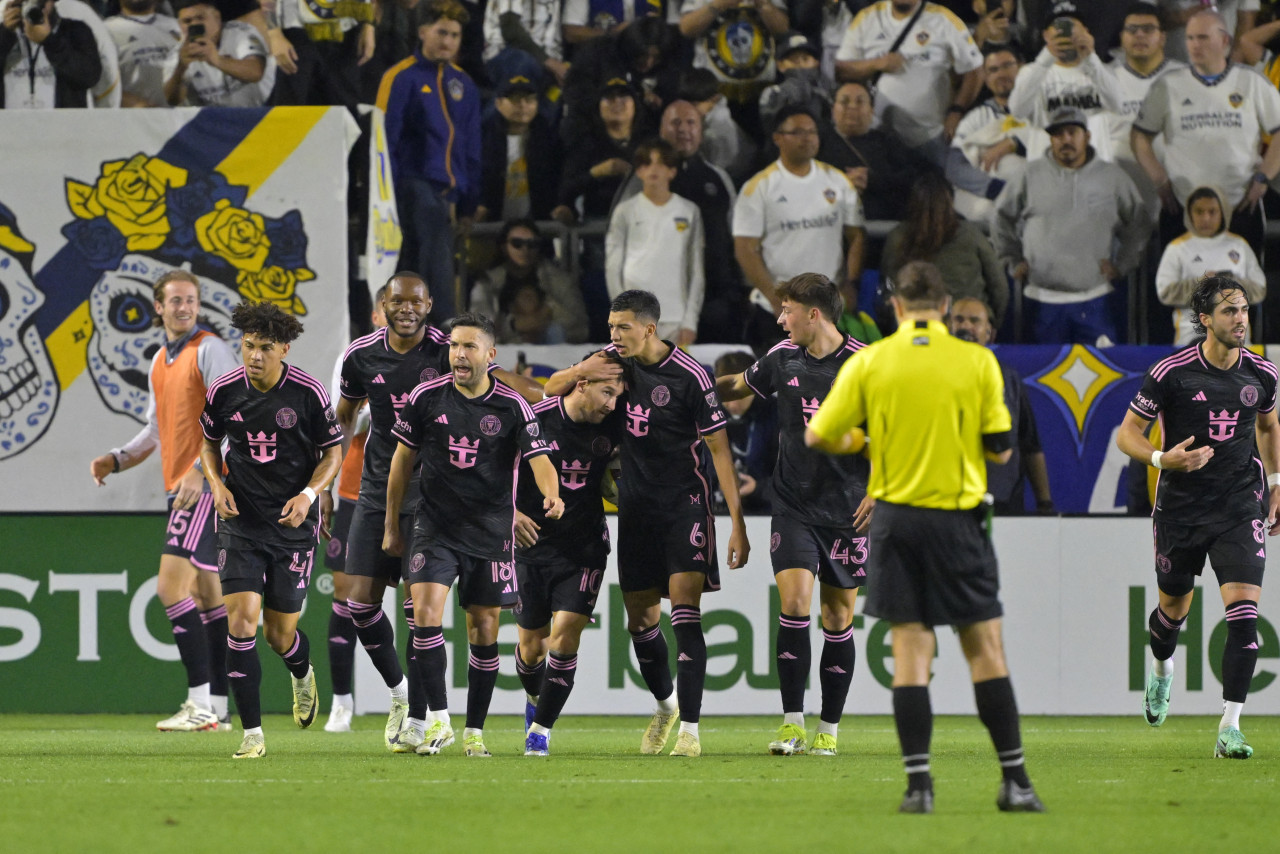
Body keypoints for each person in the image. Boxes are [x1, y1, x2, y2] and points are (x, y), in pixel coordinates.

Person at [806, 260, 1044, 814]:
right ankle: (1015, 783)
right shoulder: (976, 361)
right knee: (984, 650)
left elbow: (820, 432)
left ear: (894, 306)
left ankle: (919, 789)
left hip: (894, 520)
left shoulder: (873, 362)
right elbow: (1004, 450)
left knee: (910, 654)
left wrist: (869, 441)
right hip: (956, 519)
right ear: (943, 307)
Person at [544, 289, 751, 757]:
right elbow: (552, 389)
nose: (614, 336)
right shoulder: (610, 362)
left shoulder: (691, 376)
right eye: (611, 327)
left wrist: (736, 522)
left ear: (650, 328)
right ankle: (665, 706)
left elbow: (719, 450)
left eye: (623, 328)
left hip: (685, 509)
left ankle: (691, 732)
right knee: (641, 620)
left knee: (685, 613)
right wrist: (581, 370)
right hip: (634, 512)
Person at [384, 313, 562, 758]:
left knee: (483, 630)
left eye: (468, 347)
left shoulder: (511, 405)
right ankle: (438, 721)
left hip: (490, 532)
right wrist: (391, 523)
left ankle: (474, 732)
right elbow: (400, 465)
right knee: (424, 614)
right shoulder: (426, 397)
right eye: (454, 346)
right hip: (434, 526)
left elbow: (539, 459)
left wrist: (552, 495)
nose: (459, 355)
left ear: (490, 355)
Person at [1116, 275, 1279, 760]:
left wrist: (1276, 484)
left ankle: (1230, 725)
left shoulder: (1263, 374)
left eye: (1245, 309)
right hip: (1182, 510)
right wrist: (1165, 459)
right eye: (1229, 311)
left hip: (1239, 505)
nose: (1241, 318)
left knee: (1245, 619)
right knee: (1171, 617)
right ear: (1205, 319)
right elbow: (1127, 435)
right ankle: (1162, 670)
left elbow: (1270, 426)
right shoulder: (1172, 372)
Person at [716, 272, 870, 756]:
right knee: (796, 604)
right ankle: (792, 723)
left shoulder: (866, 366)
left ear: (813, 314)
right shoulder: (782, 359)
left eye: (786, 311)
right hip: (793, 504)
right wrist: (688, 383)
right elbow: (737, 387)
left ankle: (829, 729)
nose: (780, 320)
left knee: (837, 614)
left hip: (849, 509)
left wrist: (883, 489)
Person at [89, 271, 240, 734]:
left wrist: (201, 469)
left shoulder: (210, 350)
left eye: (190, 300)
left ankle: (198, 703)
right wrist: (118, 458)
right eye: (175, 300)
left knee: (169, 589)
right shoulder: (160, 360)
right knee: (207, 596)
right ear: (158, 306)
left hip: (207, 486)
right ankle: (216, 706)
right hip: (185, 485)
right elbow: (157, 430)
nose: (183, 307)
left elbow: (236, 416)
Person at [200, 301, 344, 759]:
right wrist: (215, 482)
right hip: (240, 521)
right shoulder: (224, 390)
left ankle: (301, 672)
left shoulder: (309, 393)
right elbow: (206, 442)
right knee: (240, 624)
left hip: (292, 524)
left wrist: (309, 494)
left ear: (284, 348)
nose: (254, 356)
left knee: (278, 636)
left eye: (264, 348)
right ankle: (252, 735)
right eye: (247, 346)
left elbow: (332, 453)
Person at [334, 275, 464, 751]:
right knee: (359, 605)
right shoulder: (360, 355)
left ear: (429, 304)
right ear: (383, 304)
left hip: (433, 495)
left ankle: (422, 720)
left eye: (416, 301)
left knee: (418, 613)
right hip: (376, 492)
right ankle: (400, 692)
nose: (406, 308)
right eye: (397, 300)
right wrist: (324, 482)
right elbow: (344, 417)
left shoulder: (447, 350)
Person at [514, 376, 623, 756]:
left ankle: (540, 731)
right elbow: (494, 469)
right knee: (531, 649)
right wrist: (510, 513)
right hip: (531, 545)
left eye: (618, 395)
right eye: (607, 393)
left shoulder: (614, 424)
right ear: (582, 384)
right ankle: (534, 697)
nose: (612, 403)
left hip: (585, 548)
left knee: (565, 638)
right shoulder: (534, 419)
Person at [1132, 8, 1280, 257]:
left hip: (1240, 206)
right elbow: (1139, 136)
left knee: (1240, 292)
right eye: (1190, 38)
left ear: (1224, 40)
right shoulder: (1168, 85)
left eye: (1202, 38)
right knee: (1183, 293)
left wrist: (1263, 178)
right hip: (1184, 208)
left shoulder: (1252, 83)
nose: (1194, 45)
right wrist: (1159, 178)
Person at [994, 106, 1148, 344]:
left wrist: (1123, 263)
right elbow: (1000, 217)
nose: (1065, 139)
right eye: (1057, 134)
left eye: (1071, 132)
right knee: (1042, 377)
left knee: (1104, 375)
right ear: (1050, 139)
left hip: (1096, 300)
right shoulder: (1029, 175)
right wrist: (1012, 260)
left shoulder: (1112, 177)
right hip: (1041, 301)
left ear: (1086, 136)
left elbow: (1138, 221)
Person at [377, 0, 482, 322]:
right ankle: (446, 327)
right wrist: (386, 201)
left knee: (427, 265)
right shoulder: (400, 76)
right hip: (411, 188)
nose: (447, 41)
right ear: (423, 32)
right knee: (431, 266)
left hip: (446, 196)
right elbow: (384, 144)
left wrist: (468, 205)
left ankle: (428, 331)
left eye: (454, 35)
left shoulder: (463, 83)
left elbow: (471, 148)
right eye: (441, 32)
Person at [734, 105, 864, 349]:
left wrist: (851, 282)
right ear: (777, 138)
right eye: (798, 132)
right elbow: (744, 249)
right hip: (777, 313)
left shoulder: (838, 182)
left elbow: (856, 235)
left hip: (826, 309)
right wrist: (775, 300)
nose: (807, 138)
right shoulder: (759, 187)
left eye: (812, 132)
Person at [321, 286, 388, 733]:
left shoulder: (433, 357)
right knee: (347, 595)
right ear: (376, 312)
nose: (397, 316)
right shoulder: (355, 358)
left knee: (418, 601)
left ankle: (414, 701)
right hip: (354, 489)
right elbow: (335, 423)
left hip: (416, 493)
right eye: (389, 307)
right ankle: (342, 702)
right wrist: (321, 487)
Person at [834, 0, 985, 166]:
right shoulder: (867, 18)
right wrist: (876, 64)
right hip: (877, 135)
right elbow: (842, 70)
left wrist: (957, 110)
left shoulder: (944, 19)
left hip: (930, 136)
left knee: (934, 189)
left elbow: (975, 70)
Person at [949, 296, 1055, 515]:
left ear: (990, 333)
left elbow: (1030, 446)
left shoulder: (1009, 378)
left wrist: (1044, 502)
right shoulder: (932, 374)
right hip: (948, 500)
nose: (966, 326)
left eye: (974, 320)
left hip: (1003, 501)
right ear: (947, 327)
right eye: (958, 320)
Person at [606, 139, 705, 346]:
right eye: (646, 164)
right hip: (634, 317)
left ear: (672, 171)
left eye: (660, 163)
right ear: (639, 172)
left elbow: (695, 268)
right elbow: (613, 266)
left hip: (675, 316)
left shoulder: (689, 211)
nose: (653, 169)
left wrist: (690, 321)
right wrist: (620, 316)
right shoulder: (625, 210)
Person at [882, 171, 1009, 328]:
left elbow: (887, 287)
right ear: (950, 201)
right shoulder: (971, 235)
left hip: (915, 327)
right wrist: (989, 323)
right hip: (966, 328)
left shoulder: (897, 237)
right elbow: (999, 287)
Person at [1155, 186, 1265, 345]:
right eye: (1199, 212)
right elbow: (1165, 293)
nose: (1206, 218)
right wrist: (1204, 286)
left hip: (1237, 337)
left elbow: (1260, 290)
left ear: (1223, 212)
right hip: (1192, 336)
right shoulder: (1177, 248)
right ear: (1189, 214)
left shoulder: (1239, 245)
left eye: (1212, 212)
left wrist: (1230, 285)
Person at [1006, 13, 1123, 160]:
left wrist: (1091, 58)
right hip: (1047, 172)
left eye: (1072, 29)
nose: (1067, 36)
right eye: (1060, 30)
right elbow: (1017, 111)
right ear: (1046, 35)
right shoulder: (1032, 72)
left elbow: (1118, 105)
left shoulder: (1102, 71)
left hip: (1095, 172)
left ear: (1086, 32)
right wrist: (1046, 58)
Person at [817, 80, 935, 223]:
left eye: (860, 102)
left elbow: (924, 175)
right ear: (833, 110)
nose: (853, 107)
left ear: (872, 111)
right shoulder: (818, 142)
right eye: (845, 102)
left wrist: (873, 181)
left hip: (888, 227)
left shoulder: (887, 142)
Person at [679, 0, 790, 140]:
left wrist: (762, 4)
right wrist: (719, 5)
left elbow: (782, 28)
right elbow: (686, 28)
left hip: (761, 94)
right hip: (714, 96)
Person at [947, 45, 1032, 224]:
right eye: (993, 70)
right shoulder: (976, 118)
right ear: (985, 79)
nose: (1001, 74)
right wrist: (1000, 191)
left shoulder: (1043, 109)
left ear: (1023, 67)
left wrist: (1014, 142)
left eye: (1007, 66)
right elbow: (955, 166)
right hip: (994, 204)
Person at [469, 219, 590, 345]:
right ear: (504, 247)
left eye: (532, 244)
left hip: (551, 350)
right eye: (517, 243)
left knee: (555, 331)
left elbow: (581, 328)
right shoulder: (488, 281)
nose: (525, 249)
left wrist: (550, 311)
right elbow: (477, 331)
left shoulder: (558, 279)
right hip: (502, 351)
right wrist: (513, 325)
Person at [477, 74, 563, 224]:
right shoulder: (482, 137)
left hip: (539, 226)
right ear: (498, 103)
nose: (523, 105)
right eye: (515, 99)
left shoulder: (549, 139)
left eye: (529, 100)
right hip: (490, 225)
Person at [163, 0, 274, 107]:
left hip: (262, 109)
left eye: (200, 18)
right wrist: (181, 68)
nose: (195, 24)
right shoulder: (179, 53)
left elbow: (255, 73)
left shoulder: (241, 32)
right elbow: (171, 101)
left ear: (217, 17)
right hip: (217, 119)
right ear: (179, 25)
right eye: (187, 21)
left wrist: (216, 59)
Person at [1, 0, 101, 108]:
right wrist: (5, 35)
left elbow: (90, 77)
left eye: (40, 3)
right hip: (8, 122)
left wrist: (50, 41)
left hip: (62, 123)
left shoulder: (75, 31)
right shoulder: (5, 34)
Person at [712, 350, 775, 516]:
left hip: (766, 513)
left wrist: (759, 488)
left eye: (739, 396)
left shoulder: (779, 415)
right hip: (715, 512)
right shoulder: (707, 415)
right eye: (725, 397)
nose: (732, 405)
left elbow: (797, 479)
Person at [106, 0, 184, 107]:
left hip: (181, 115)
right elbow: (99, 83)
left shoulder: (179, 26)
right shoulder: (105, 30)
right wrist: (134, 103)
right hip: (130, 119)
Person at [759, 30, 834, 131]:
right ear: (780, 65)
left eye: (805, 59)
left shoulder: (825, 95)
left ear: (816, 63)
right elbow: (770, 127)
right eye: (794, 60)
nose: (800, 65)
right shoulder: (773, 93)